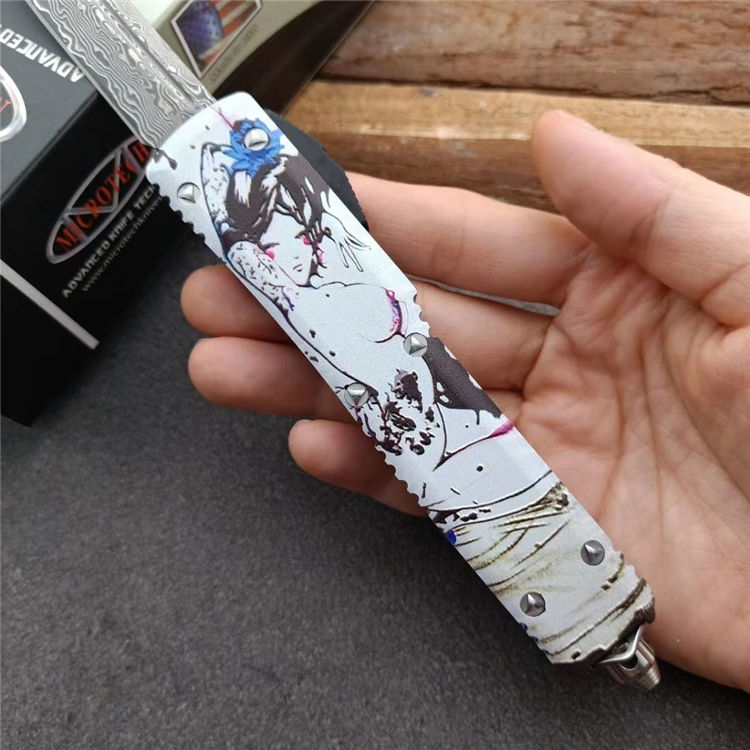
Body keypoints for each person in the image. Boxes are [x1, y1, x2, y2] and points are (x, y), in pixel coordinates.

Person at [180, 110, 750, 692]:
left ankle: (591, 608)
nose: (308, 241)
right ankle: (588, 608)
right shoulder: (325, 289)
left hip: (497, 486)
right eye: (292, 231)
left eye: (305, 228)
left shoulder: (353, 296)